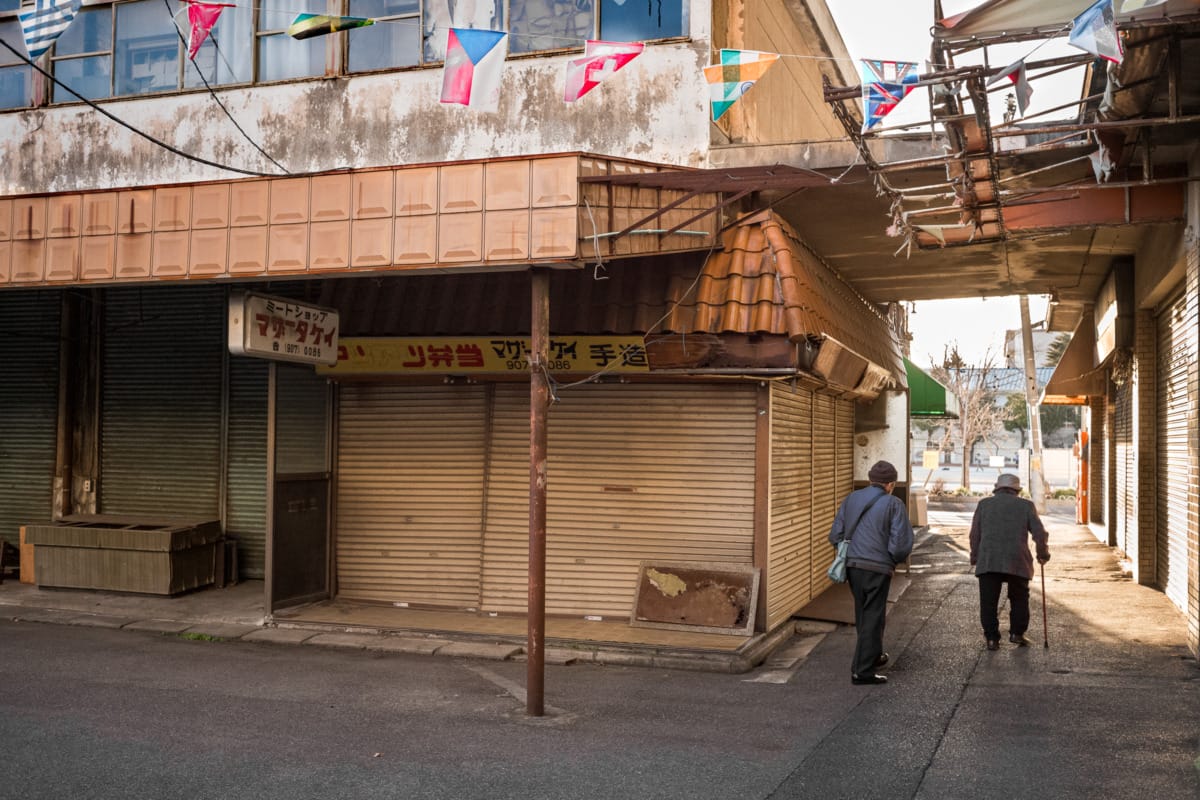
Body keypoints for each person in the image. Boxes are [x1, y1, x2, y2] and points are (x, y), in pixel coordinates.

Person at [828, 460, 914, 686]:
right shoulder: (894, 504)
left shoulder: (851, 499)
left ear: (870, 480)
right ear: (891, 484)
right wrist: (892, 559)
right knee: (874, 617)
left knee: (864, 614)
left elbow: (835, 534)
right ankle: (862, 671)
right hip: (878, 568)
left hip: (854, 566)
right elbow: (900, 543)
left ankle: (873, 655)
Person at [969, 473, 1050, 650]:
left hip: (989, 560)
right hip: (1017, 560)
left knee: (988, 601)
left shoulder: (984, 505)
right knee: (1020, 598)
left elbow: (975, 534)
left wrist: (975, 556)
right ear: (1017, 490)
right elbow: (1039, 533)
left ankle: (992, 638)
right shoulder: (1026, 506)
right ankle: (1017, 633)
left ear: (997, 488)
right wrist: (1042, 553)